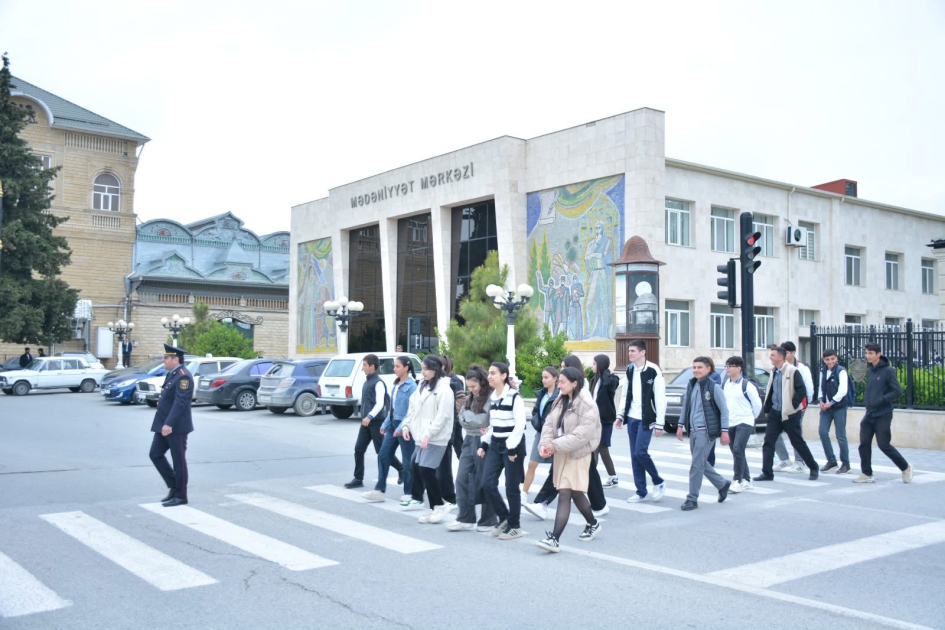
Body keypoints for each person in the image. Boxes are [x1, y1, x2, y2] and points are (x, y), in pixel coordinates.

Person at [524, 355, 608, 520]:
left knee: (565, 483)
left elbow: (584, 428)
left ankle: (543, 503)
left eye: (564, 367)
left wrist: (556, 444)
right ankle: (599, 506)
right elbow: (551, 421)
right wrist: (548, 441)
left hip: (576, 444)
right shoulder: (562, 395)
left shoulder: (583, 395)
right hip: (566, 443)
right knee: (581, 478)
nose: (561, 371)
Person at [537, 367, 603, 552]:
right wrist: (545, 444)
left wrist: (554, 445)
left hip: (578, 453)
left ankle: (554, 539)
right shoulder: (561, 400)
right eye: (559, 382)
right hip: (561, 452)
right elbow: (549, 424)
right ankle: (593, 523)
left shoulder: (587, 405)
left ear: (575, 383)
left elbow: (582, 435)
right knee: (575, 493)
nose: (559, 385)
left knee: (565, 492)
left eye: (562, 382)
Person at [402, 356, 455, 523]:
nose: (422, 372)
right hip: (420, 435)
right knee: (417, 467)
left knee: (426, 469)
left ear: (435, 369)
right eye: (422, 369)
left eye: (425, 369)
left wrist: (428, 434)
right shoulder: (422, 385)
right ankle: (434, 508)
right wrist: (406, 425)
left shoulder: (444, 389)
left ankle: (440, 505)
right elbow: (413, 408)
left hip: (436, 437)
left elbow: (443, 416)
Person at [755, 346, 820, 482]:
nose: (770, 357)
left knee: (797, 442)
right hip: (775, 413)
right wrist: (768, 408)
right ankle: (767, 473)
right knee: (768, 442)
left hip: (790, 414)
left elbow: (801, 391)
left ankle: (813, 467)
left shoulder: (792, 371)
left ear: (780, 357)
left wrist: (792, 406)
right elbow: (771, 390)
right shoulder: (774, 371)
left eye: (773, 355)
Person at [478, 362, 527, 539]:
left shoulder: (514, 397)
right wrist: (484, 444)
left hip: (512, 446)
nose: (489, 376)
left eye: (493, 373)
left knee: (511, 487)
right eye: (489, 373)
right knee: (487, 483)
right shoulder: (493, 397)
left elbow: (520, 425)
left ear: (504, 375)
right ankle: (505, 517)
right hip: (495, 444)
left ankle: (515, 526)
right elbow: (493, 425)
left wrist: (512, 448)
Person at [447, 365, 499, 532]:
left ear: (482, 382)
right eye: (468, 387)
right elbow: (461, 417)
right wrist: (472, 419)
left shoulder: (491, 397)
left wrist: (469, 418)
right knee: (461, 478)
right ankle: (465, 518)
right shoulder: (470, 398)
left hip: (485, 442)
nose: (471, 390)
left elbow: (484, 420)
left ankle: (488, 520)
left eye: (473, 386)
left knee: (485, 480)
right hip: (469, 440)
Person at [615, 340, 667, 503]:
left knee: (640, 452)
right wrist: (620, 415)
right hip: (632, 418)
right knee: (634, 455)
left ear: (642, 352)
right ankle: (641, 491)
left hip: (647, 418)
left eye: (633, 351)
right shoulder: (630, 369)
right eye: (629, 351)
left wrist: (660, 423)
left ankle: (658, 481)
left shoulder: (653, 370)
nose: (629, 353)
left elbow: (660, 398)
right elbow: (625, 394)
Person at [676, 357, 731, 510]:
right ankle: (722, 484)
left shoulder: (714, 387)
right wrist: (680, 425)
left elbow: (724, 410)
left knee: (696, 465)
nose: (696, 370)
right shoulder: (692, 384)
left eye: (700, 367)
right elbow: (686, 406)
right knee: (700, 462)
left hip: (706, 431)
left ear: (708, 369)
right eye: (694, 367)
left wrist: (725, 431)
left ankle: (692, 499)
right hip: (693, 431)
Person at [855, 343, 912, 483]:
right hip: (869, 414)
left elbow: (897, 391)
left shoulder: (888, 371)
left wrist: (881, 400)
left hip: (883, 414)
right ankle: (867, 474)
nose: (868, 356)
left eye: (870, 353)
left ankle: (905, 467)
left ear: (878, 354)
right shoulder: (870, 370)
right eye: (866, 353)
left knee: (884, 445)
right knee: (864, 444)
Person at [344, 354, 403, 489]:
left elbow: (380, 403)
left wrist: (369, 416)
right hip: (365, 423)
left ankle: (401, 468)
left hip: (376, 423)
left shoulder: (378, 383)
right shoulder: (367, 382)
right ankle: (358, 478)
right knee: (359, 449)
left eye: (365, 365)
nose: (363, 368)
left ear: (372, 366)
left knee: (382, 452)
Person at [363, 356, 417, 503]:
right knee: (383, 455)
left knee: (407, 461)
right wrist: (385, 424)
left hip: (405, 427)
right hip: (393, 424)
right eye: (394, 366)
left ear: (406, 367)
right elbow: (392, 409)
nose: (394, 369)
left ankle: (409, 492)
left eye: (397, 366)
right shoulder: (396, 384)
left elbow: (411, 411)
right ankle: (379, 490)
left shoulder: (412, 386)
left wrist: (401, 427)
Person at [149, 344, 194, 507]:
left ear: (176, 359)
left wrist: (169, 424)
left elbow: (181, 403)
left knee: (178, 461)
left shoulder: (183, 376)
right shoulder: (172, 374)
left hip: (175, 427)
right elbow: (170, 398)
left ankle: (181, 495)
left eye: (166, 358)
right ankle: (174, 486)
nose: (163, 360)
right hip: (163, 424)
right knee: (155, 454)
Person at [722, 356, 762, 492]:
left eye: (730, 366)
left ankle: (737, 481)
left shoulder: (747, 385)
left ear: (739, 368)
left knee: (738, 449)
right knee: (736, 452)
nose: (727, 368)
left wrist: (751, 417)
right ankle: (747, 479)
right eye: (726, 366)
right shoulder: (726, 384)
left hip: (745, 421)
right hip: (730, 422)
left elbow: (757, 404)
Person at [775, 341, 815, 473]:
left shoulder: (802, 368)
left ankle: (799, 462)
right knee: (774, 432)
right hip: (780, 405)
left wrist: (803, 405)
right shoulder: (779, 368)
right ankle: (784, 459)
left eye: (786, 353)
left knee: (795, 433)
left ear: (793, 353)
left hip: (796, 406)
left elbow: (808, 388)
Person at [523, 366, 558, 501]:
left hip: (555, 435)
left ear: (555, 379)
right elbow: (535, 412)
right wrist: (536, 422)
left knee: (557, 467)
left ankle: (569, 492)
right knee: (532, 463)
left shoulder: (560, 395)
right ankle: (524, 494)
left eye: (546, 377)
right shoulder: (541, 394)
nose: (543, 380)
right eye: (542, 377)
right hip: (541, 433)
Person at [818, 349, 851, 474]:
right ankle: (831, 461)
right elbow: (820, 388)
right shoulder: (823, 371)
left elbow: (843, 390)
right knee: (822, 432)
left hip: (839, 407)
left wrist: (831, 402)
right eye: (827, 359)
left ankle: (846, 464)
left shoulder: (841, 371)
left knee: (840, 435)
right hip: (826, 408)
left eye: (832, 359)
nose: (830, 362)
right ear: (824, 360)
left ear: (836, 358)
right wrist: (821, 401)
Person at [590, 354, 620, 489]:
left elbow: (609, 384)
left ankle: (591, 479)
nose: (592, 366)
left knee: (599, 447)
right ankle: (612, 477)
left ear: (601, 365)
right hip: (594, 420)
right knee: (599, 448)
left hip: (605, 420)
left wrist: (605, 371)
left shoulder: (611, 379)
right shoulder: (594, 380)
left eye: (594, 364)